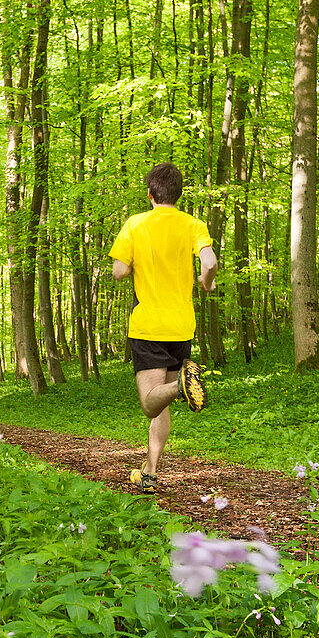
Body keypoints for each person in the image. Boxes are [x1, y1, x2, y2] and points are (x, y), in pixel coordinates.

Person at [109, 162, 217, 495]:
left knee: (150, 403)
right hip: (182, 325)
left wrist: (130, 263)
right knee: (162, 407)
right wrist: (206, 282)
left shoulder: (135, 224)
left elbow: (118, 271)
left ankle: (181, 385)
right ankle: (150, 472)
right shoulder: (193, 224)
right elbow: (210, 262)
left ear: (150, 194)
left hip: (149, 324)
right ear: (178, 193)